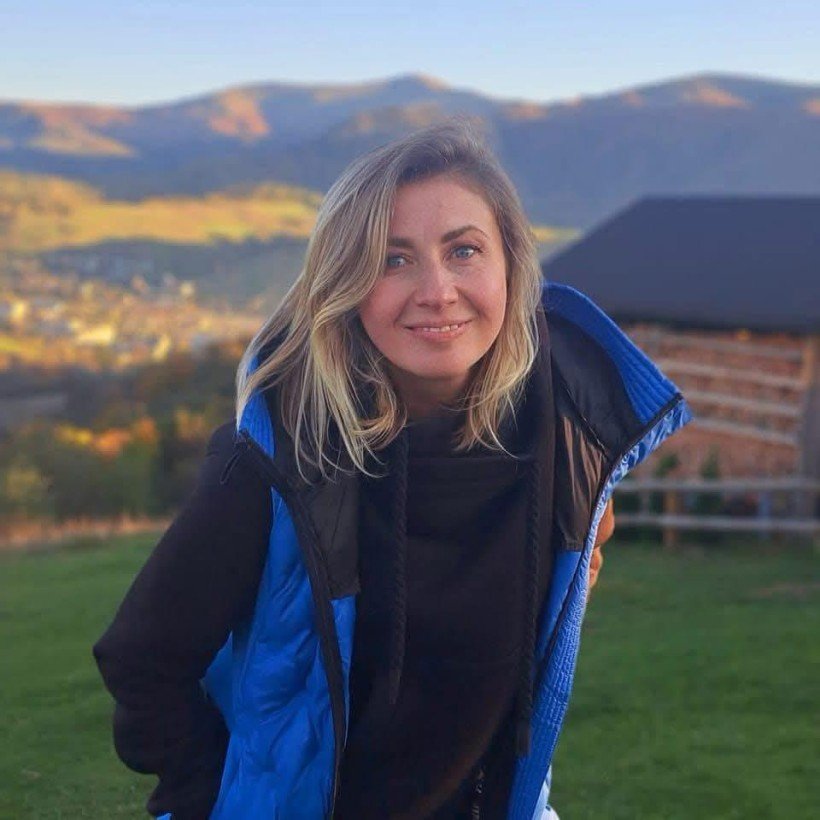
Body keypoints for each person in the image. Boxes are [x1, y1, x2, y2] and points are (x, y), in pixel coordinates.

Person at [93, 122, 690, 819]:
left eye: (464, 250)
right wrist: (213, 800)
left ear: (512, 266)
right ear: (346, 284)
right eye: (392, 259)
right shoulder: (278, 455)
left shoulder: (565, 438)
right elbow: (143, 661)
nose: (438, 290)